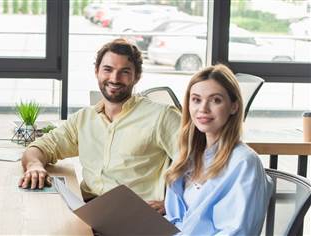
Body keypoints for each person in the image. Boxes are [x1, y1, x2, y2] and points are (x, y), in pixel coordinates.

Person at [18, 38, 181, 213]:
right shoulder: (84, 118)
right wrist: (34, 165)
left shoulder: (162, 116)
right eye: (108, 69)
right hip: (90, 209)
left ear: (137, 76)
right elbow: (41, 147)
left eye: (124, 72)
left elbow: (200, 166)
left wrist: (171, 205)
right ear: (97, 72)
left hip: (135, 215)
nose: (114, 78)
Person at [164, 64, 272, 234]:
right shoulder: (186, 157)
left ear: (234, 106)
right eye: (196, 100)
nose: (203, 109)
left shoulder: (244, 163)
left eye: (216, 100)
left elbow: (238, 232)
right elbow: (175, 221)